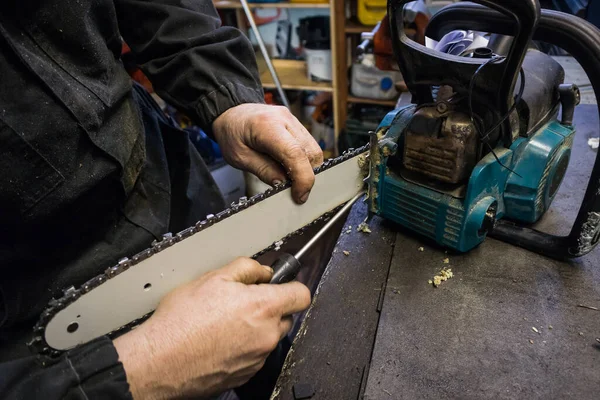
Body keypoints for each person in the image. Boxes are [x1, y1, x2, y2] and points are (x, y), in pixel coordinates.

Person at [0, 0, 324, 398]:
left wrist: (228, 98)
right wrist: (140, 371)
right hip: (33, 316)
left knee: (268, 349)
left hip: (162, 180)